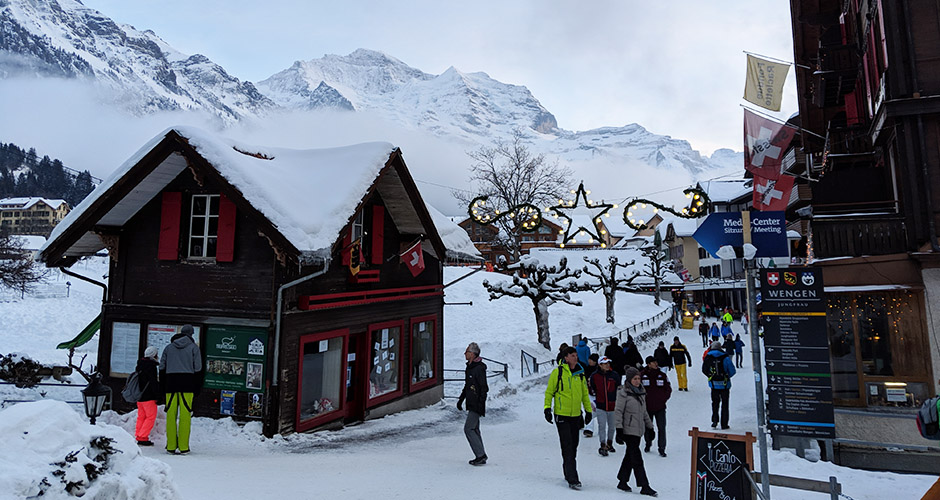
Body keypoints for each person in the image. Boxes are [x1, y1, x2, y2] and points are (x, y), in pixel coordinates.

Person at [544, 346, 593, 490]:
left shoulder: (580, 373)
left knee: (574, 445)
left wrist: (588, 411)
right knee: (567, 445)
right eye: (572, 355)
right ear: (565, 357)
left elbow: (584, 394)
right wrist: (547, 408)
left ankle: (568, 470)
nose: (575, 357)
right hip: (562, 414)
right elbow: (549, 392)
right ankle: (573, 477)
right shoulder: (558, 372)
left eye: (576, 355)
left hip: (576, 415)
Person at [614, 367, 658, 497]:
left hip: (638, 430)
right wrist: (619, 429)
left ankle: (622, 480)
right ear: (629, 380)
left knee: (630, 456)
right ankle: (644, 485)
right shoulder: (623, 393)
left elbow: (644, 412)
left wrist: (650, 427)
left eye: (639, 378)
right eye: (635, 379)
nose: (637, 381)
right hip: (628, 430)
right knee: (637, 458)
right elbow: (618, 411)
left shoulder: (641, 393)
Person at [160, 324, 202, 455]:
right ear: (191, 334)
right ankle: (184, 447)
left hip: (170, 384)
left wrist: (163, 385)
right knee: (185, 416)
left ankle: (171, 446)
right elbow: (198, 368)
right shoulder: (194, 348)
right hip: (187, 384)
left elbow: (162, 367)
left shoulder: (168, 348)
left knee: (170, 415)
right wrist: (197, 387)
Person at [457, 342, 489, 466]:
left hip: (476, 403)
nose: (465, 354)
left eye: (467, 352)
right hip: (471, 402)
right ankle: (480, 455)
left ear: (473, 354)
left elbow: (483, 387)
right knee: (474, 429)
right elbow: (467, 385)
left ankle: (480, 455)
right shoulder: (470, 367)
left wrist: (481, 403)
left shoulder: (478, 368)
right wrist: (461, 399)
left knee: (468, 429)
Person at [589, 356, 621, 456]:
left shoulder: (614, 375)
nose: (607, 365)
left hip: (612, 405)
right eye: (605, 364)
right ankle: (602, 444)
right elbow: (593, 388)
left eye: (608, 363)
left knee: (612, 426)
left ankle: (610, 443)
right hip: (600, 405)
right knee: (601, 425)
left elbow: (618, 388)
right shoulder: (594, 376)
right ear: (600, 365)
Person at [640, 356, 672, 457]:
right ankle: (648, 443)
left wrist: (663, 398)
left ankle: (662, 448)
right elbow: (637, 389)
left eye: (656, 362)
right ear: (648, 364)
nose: (655, 364)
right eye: (653, 362)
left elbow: (668, 389)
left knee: (661, 428)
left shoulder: (662, 375)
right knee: (648, 427)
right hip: (647, 407)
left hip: (660, 407)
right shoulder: (642, 375)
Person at [703, 339, 737, 429]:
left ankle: (714, 420)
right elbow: (732, 371)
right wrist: (727, 376)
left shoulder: (708, 357)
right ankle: (724, 424)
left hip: (713, 385)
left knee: (715, 403)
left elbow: (704, 369)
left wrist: (710, 376)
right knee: (725, 404)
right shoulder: (725, 357)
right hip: (725, 385)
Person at [134, 346, 160, 446]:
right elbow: (153, 383)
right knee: (150, 417)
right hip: (149, 396)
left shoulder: (140, 365)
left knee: (141, 416)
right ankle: (143, 436)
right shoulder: (151, 367)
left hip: (139, 396)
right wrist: (157, 395)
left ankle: (138, 435)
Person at [583, 353, 599, 438]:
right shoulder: (586, 369)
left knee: (600, 412)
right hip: (588, 393)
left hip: (599, 394)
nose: (589, 361)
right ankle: (589, 429)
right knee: (590, 410)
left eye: (591, 360)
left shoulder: (599, 370)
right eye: (589, 360)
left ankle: (603, 428)